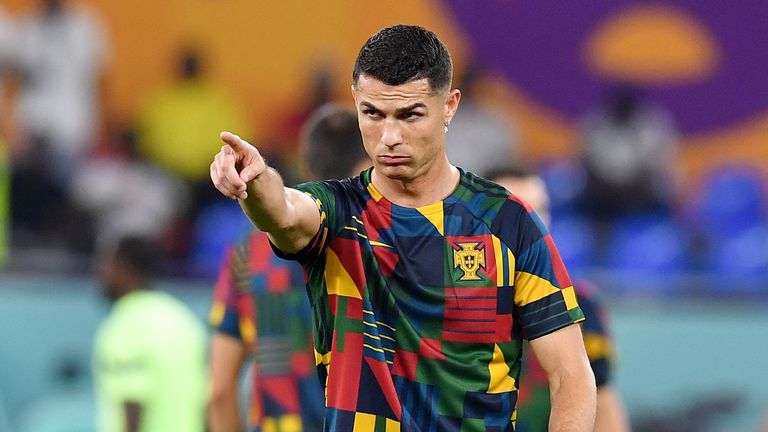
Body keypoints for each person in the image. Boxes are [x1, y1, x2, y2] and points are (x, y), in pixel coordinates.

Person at [210, 24, 596, 432]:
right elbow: (284, 210)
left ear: (449, 106)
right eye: (372, 114)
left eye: (410, 115)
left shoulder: (508, 222)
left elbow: (570, 376)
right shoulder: (338, 212)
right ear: (356, 102)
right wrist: (255, 182)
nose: (389, 137)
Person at [208, 104, 369, 432]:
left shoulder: (247, 254)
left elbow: (220, 393)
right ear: (368, 165)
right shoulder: (381, 245)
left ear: (306, 164)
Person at [486, 165, 631, 432]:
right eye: (516, 213)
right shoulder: (439, 295)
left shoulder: (581, 303)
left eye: (539, 210)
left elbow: (604, 401)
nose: (531, 225)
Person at [93, 236, 207, 432]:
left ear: (124, 268)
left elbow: (132, 400)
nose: (101, 274)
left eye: (107, 265)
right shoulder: (184, 320)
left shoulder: (124, 324)